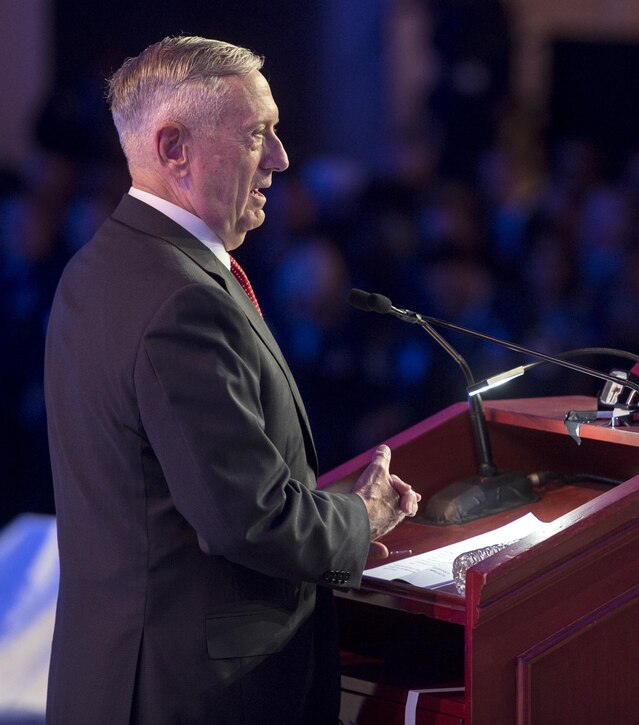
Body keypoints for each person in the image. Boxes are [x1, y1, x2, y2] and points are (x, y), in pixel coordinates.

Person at [43, 36, 420, 724]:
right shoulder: (181, 300)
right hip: (199, 694)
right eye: (258, 135)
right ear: (174, 147)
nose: (280, 159)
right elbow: (248, 519)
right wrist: (359, 519)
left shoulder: (96, 268)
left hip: (119, 678)